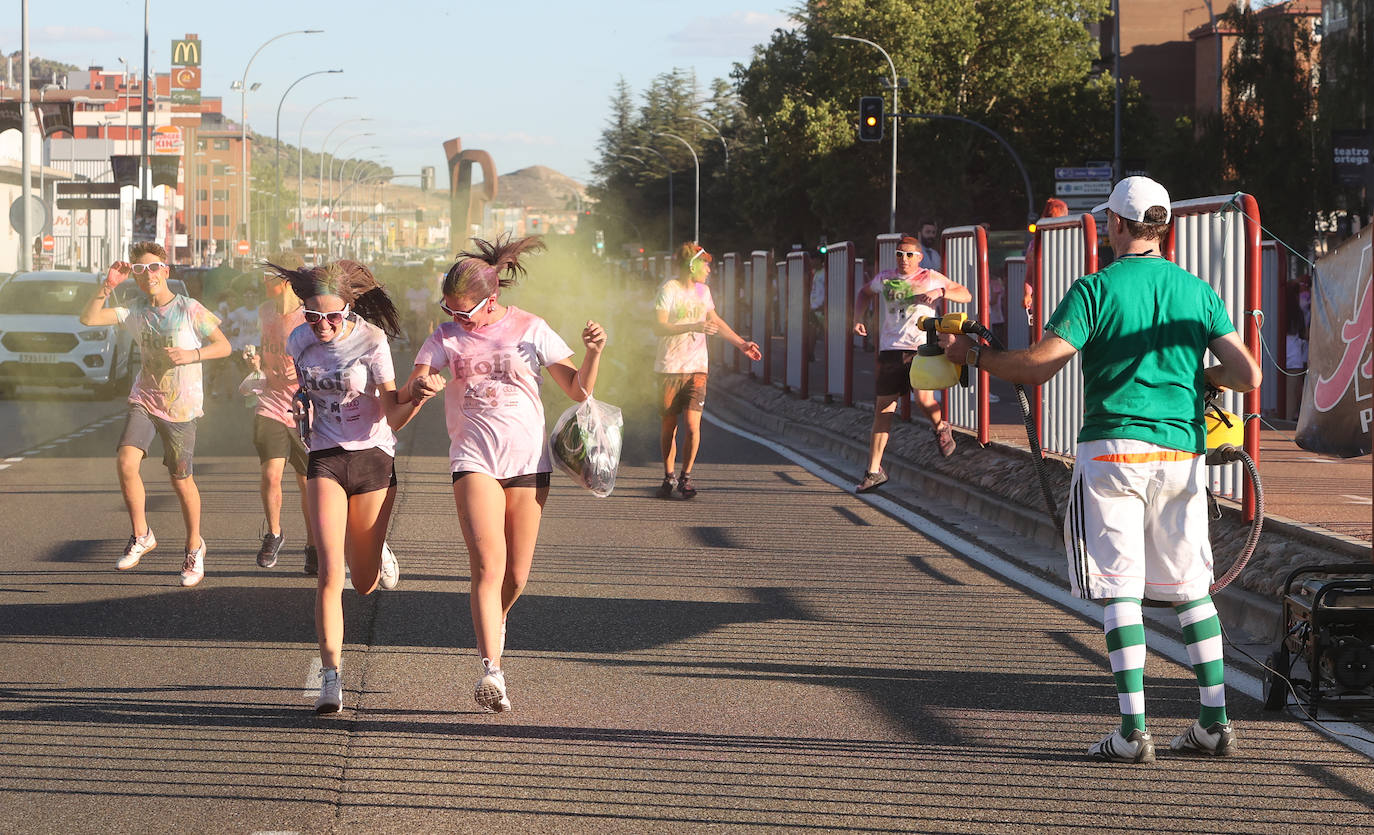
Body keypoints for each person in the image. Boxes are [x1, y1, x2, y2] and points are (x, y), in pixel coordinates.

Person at [943, 177, 1262, 763]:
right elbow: (1248, 375)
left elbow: (1038, 368)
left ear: (1115, 225)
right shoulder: (1198, 291)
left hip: (1113, 452)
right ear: (1163, 229)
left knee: (1120, 592)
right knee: (1192, 590)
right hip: (1182, 455)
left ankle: (1132, 732)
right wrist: (1200, 378)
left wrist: (975, 356)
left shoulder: (1093, 289)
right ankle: (1213, 722)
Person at [399, 234, 607, 713]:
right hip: (473, 459)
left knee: (516, 576)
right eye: (448, 309)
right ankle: (492, 669)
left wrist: (593, 352)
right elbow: (417, 379)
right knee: (489, 567)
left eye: (464, 311)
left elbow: (577, 391)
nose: (456, 318)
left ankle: (494, 620)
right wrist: (423, 384)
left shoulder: (530, 328)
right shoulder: (445, 337)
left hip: (529, 463)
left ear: (491, 301)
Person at [276, 259, 407, 714]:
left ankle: (377, 549)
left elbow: (390, 405)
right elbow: (306, 389)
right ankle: (331, 678)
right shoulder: (298, 340)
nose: (323, 326)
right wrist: (299, 405)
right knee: (331, 573)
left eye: (333, 316)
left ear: (349, 309)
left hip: (372, 455)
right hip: (326, 457)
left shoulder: (371, 340)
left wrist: (419, 397)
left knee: (365, 582)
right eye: (313, 317)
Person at [79, 242, 231, 587]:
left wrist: (192, 354)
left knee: (180, 481)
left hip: (181, 408)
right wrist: (106, 287)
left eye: (152, 268)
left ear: (166, 271)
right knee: (126, 462)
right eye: (138, 270)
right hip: (145, 398)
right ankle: (142, 534)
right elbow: (88, 318)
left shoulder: (189, 309)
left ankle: (195, 547)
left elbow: (224, 346)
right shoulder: (133, 310)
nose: (146, 275)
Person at [852, 235, 972, 491]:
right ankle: (874, 471)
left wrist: (940, 291)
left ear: (919, 257)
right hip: (891, 349)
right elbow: (863, 293)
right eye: (899, 254)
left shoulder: (930, 276)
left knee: (923, 400)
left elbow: (965, 295)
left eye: (909, 254)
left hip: (921, 349)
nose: (903, 259)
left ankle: (941, 427)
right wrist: (857, 318)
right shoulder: (885, 278)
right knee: (883, 409)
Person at [653, 242, 763, 499]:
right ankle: (668, 476)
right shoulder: (668, 289)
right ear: (691, 266)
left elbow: (715, 321)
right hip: (669, 366)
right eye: (705, 264)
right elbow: (659, 327)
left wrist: (741, 344)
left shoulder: (704, 292)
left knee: (693, 425)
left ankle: (685, 478)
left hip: (697, 367)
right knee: (669, 425)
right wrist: (692, 325)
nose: (709, 270)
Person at [238, 256, 317, 572]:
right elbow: (267, 346)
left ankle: (313, 546)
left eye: (268, 278)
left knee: (306, 483)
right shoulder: (265, 311)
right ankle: (273, 533)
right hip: (269, 401)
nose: (263, 283)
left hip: (303, 408)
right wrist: (255, 364)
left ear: (285, 280)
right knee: (271, 474)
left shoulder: (308, 316)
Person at [1023, 198, 1070, 318]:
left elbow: (1029, 276)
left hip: (1042, 305)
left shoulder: (1035, 244)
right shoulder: (1074, 241)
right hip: (1066, 306)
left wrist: (1028, 294)